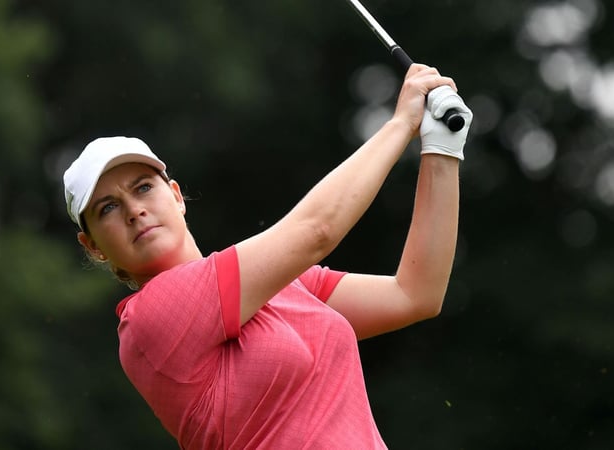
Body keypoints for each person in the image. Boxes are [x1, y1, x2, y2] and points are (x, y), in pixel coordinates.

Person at [62, 64, 472, 449]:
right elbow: (316, 230)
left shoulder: (281, 284)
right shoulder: (149, 316)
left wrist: (441, 149)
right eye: (108, 208)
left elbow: (415, 294)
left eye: (143, 188)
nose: (134, 210)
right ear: (93, 245)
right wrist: (401, 124)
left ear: (174, 195)